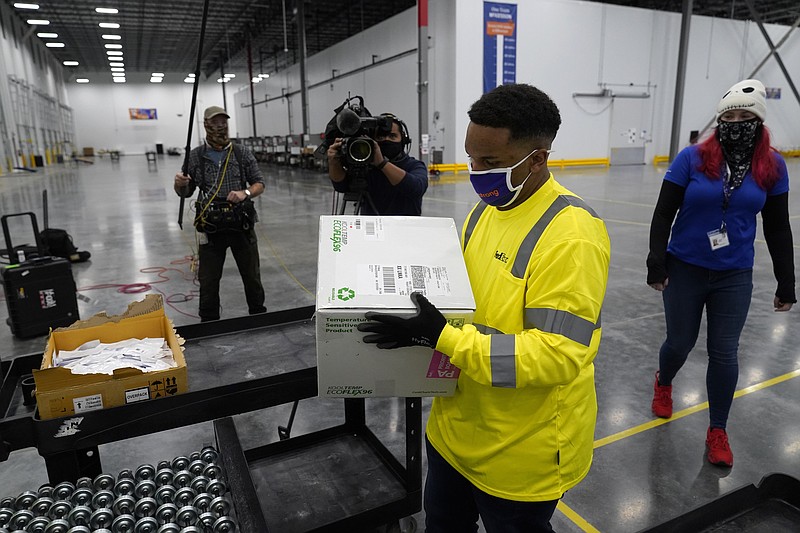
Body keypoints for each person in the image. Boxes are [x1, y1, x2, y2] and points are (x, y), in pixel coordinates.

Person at [357, 84, 611, 532]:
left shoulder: (571, 236)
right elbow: (464, 301)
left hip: (520, 454)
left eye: (490, 163)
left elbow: (557, 353)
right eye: (471, 158)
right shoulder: (486, 210)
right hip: (455, 432)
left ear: (537, 158)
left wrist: (443, 336)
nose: (475, 173)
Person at [647, 79, 795, 467]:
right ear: (719, 119)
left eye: (745, 116)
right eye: (728, 116)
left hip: (734, 274)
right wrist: (656, 259)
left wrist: (787, 280)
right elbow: (664, 212)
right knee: (679, 342)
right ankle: (663, 382)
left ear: (759, 122)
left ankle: (717, 430)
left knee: (725, 352)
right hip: (685, 267)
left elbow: (778, 226)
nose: (736, 122)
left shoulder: (772, 165)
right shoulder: (692, 158)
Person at [174, 105, 267, 322]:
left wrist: (245, 192)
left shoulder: (242, 153)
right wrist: (179, 184)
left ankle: (258, 316)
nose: (220, 127)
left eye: (223, 122)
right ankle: (208, 320)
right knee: (208, 279)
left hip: (240, 224)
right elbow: (186, 193)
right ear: (205, 124)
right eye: (215, 123)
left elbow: (259, 184)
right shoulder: (196, 156)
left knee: (252, 276)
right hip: (211, 227)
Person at [326, 113, 428, 215]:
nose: (386, 140)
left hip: (405, 228)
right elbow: (341, 186)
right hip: (372, 228)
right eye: (380, 137)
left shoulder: (414, 165)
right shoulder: (365, 167)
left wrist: (382, 164)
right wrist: (333, 162)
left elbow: (416, 188)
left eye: (392, 136)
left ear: (404, 141)